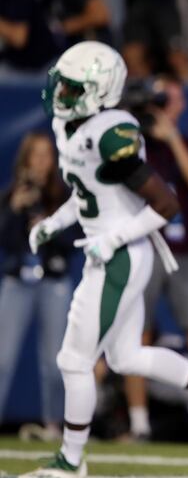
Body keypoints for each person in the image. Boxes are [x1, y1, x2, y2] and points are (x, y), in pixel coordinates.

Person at [19, 41, 188, 477]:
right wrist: (53, 223)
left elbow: (166, 205)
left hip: (122, 254)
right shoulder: (70, 127)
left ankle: (71, 463)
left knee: (74, 360)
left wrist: (113, 240)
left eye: (72, 89)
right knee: (127, 357)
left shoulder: (113, 132)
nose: (61, 96)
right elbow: (87, 192)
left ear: (98, 91)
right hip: (112, 250)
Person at [125, 74, 188, 444]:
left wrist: (172, 137)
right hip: (144, 247)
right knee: (137, 334)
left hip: (182, 253)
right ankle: (139, 424)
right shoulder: (136, 144)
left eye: (171, 98)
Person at [0, 133, 74, 441]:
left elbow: (74, 241)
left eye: (47, 155)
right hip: (19, 281)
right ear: (26, 159)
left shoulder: (63, 194)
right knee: (3, 356)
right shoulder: (13, 193)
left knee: (55, 360)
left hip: (53, 282)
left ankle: (54, 425)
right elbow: (5, 240)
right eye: (36, 155)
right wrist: (15, 210)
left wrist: (49, 226)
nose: (42, 161)